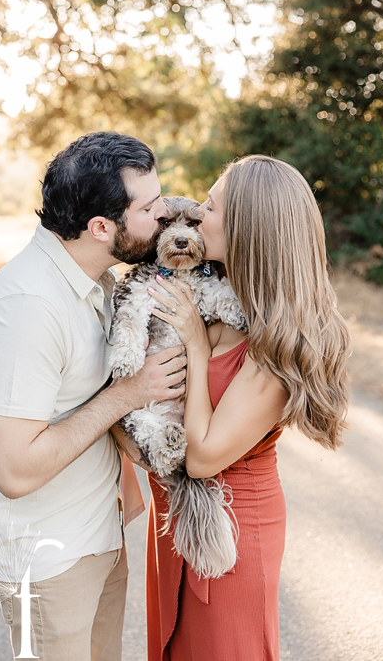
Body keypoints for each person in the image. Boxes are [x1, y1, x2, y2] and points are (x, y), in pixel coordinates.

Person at [115, 155, 350, 661]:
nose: (197, 214)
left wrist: (197, 347)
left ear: (248, 228)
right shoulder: (208, 289)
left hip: (230, 528)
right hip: (175, 515)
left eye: (210, 206)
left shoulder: (277, 343)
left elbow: (201, 458)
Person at [0, 131, 187, 659]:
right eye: (149, 207)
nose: (163, 214)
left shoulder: (96, 278)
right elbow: (13, 470)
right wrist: (130, 393)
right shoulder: (29, 307)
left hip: (97, 533)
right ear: (100, 227)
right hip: (51, 560)